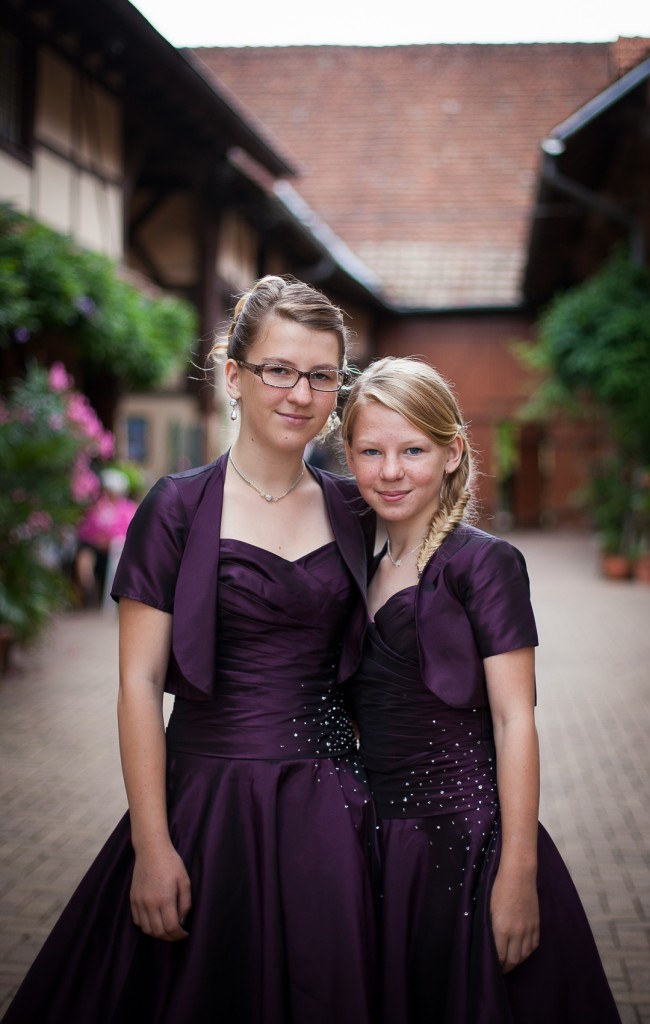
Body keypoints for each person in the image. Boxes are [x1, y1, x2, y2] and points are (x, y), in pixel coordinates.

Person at [3, 276, 378, 1024]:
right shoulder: (176, 507)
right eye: (279, 369)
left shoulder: (357, 509)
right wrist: (152, 845)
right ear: (234, 376)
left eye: (322, 375)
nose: (301, 394)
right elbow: (139, 684)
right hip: (208, 801)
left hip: (333, 809)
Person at [340, 356, 622, 1024]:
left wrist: (517, 872)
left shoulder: (485, 565)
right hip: (376, 844)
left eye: (413, 450)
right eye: (371, 451)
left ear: (453, 452)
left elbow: (514, 720)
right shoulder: (355, 568)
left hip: (465, 841)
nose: (391, 470)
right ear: (348, 457)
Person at [73, 467, 138, 606]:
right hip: (97, 551)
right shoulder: (96, 508)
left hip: (118, 555)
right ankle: (88, 593)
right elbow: (84, 531)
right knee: (84, 557)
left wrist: (111, 541)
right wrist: (98, 540)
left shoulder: (129, 509)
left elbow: (131, 533)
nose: (108, 494)